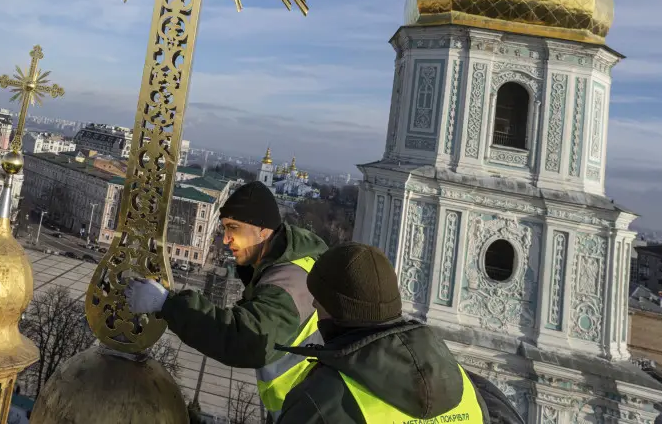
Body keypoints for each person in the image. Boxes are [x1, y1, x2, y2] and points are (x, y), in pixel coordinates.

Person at [125, 181, 328, 417]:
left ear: (263, 230)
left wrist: (165, 304)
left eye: (234, 227)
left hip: (310, 412)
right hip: (304, 407)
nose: (225, 239)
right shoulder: (291, 262)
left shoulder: (288, 282)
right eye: (224, 229)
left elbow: (245, 339)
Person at [273, 242, 524, 424]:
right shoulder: (467, 387)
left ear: (339, 310)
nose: (315, 306)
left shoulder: (321, 402)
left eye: (320, 300)